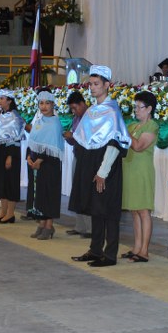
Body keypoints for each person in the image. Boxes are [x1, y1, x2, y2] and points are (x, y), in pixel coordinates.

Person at [69, 65, 132, 267]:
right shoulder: (91, 111)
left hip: (107, 167)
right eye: (91, 84)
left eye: (96, 84)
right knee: (95, 208)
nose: (92, 88)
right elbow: (83, 139)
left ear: (106, 85)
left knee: (109, 210)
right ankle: (95, 250)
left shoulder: (112, 111)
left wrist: (103, 171)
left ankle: (110, 254)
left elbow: (115, 143)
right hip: (92, 163)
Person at [121, 91, 159, 263]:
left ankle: (144, 251)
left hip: (142, 171)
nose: (136, 110)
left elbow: (138, 146)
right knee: (134, 210)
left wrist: (125, 131)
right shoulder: (132, 126)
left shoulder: (151, 126)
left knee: (143, 210)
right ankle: (136, 247)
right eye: (135, 107)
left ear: (149, 109)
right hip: (129, 169)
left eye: (139, 107)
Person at [26, 90, 65, 240]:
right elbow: (32, 141)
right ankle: (41, 224)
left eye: (47, 103)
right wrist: (29, 157)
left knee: (49, 195)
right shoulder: (38, 122)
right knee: (39, 195)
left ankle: (49, 226)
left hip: (49, 165)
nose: (44, 106)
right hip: (37, 165)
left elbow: (53, 146)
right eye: (41, 103)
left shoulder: (55, 123)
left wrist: (40, 160)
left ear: (53, 105)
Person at [0, 89, 25, 223]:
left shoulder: (15, 116)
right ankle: (2, 212)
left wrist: (10, 156)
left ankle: (10, 214)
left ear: (9, 101)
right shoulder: (1, 115)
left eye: (2, 98)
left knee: (10, 182)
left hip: (10, 152)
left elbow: (16, 138)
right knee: (1, 182)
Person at [63, 91, 92, 237]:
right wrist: (69, 138)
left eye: (75, 108)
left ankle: (90, 228)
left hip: (89, 158)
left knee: (86, 191)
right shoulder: (76, 118)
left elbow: (90, 138)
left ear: (82, 104)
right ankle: (80, 226)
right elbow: (75, 139)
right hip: (78, 155)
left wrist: (73, 136)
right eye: (72, 109)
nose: (74, 111)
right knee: (77, 191)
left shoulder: (91, 116)